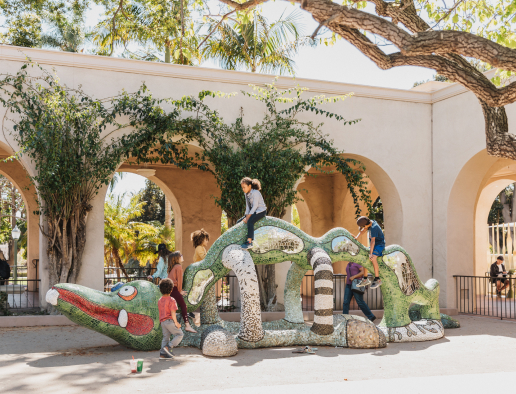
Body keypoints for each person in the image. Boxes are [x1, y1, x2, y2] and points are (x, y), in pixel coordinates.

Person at [167, 251, 197, 333]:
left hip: (170, 289)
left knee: (172, 308)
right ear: (177, 258)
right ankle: (187, 326)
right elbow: (179, 281)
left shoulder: (173, 267)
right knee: (183, 306)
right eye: (181, 255)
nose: (182, 256)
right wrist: (180, 291)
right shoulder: (178, 267)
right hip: (174, 289)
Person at [354, 216, 384, 289]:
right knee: (364, 257)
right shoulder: (370, 222)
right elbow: (363, 230)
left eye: (364, 226)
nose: (364, 228)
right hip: (374, 245)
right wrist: (356, 237)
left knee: (373, 258)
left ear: (366, 224)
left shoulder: (374, 227)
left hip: (379, 245)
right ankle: (365, 279)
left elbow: (373, 242)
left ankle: (377, 279)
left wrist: (371, 254)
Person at [157, 278, 184, 359]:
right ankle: (168, 347)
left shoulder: (160, 300)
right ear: (171, 289)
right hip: (169, 321)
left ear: (160, 289)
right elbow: (173, 313)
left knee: (165, 337)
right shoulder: (172, 300)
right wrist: (176, 323)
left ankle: (162, 354)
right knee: (179, 334)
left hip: (162, 322)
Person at [238, 177, 267, 249]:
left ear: (249, 186)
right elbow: (248, 207)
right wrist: (245, 216)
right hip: (253, 212)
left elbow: (255, 206)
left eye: (244, 187)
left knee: (250, 221)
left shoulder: (256, 193)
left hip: (260, 211)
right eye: (242, 187)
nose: (243, 189)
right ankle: (240, 240)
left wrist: (248, 218)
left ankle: (249, 242)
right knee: (239, 221)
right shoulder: (246, 194)